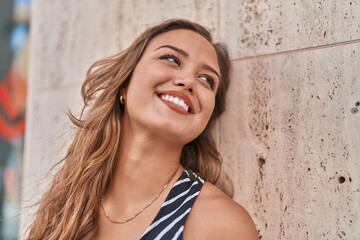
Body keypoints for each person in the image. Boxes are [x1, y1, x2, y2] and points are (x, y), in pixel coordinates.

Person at [27, 19, 259, 240]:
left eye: (207, 79)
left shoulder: (221, 224)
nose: (188, 81)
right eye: (171, 59)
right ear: (125, 84)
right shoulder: (67, 205)